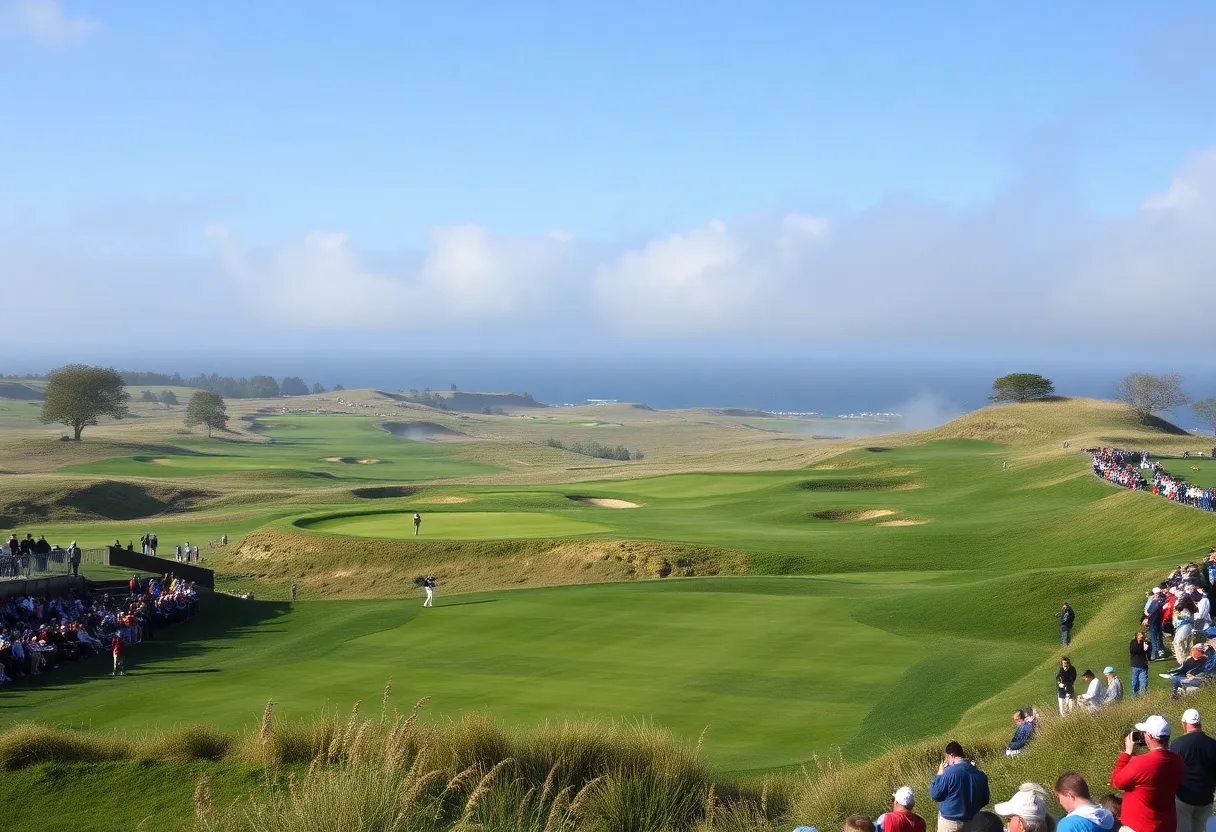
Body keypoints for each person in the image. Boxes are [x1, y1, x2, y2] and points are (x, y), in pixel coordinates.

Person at [1110, 714, 1184, 832]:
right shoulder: (1178, 760)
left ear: (1149, 735)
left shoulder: (1141, 762)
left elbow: (1116, 781)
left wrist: (1127, 752)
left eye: (1144, 732)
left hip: (1140, 826)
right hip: (1166, 824)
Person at [1171, 709, 1216, 832]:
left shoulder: (1177, 744)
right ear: (1200, 724)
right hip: (1206, 799)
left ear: (1184, 723)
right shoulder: (1213, 744)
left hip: (1183, 799)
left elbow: (1171, 771)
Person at [930, 741, 990, 832]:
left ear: (951, 755)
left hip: (949, 821)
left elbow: (935, 795)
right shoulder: (980, 775)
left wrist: (939, 774)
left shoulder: (949, 773)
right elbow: (985, 800)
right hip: (970, 821)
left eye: (946, 757)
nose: (946, 760)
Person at [1146, 590, 1167, 661]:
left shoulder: (1155, 602)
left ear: (1158, 596)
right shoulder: (1161, 603)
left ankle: (1155, 655)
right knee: (1159, 637)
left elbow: (1148, 611)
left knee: (1154, 639)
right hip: (1158, 622)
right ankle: (1160, 652)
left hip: (1153, 622)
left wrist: (1153, 601)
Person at [1131, 632, 1151, 697]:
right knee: (1135, 683)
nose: (1141, 636)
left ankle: (1143, 698)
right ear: (1136, 636)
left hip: (1143, 667)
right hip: (1135, 666)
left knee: (1144, 683)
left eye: (1142, 634)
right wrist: (1143, 648)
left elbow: (1148, 653)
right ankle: (1135, 698)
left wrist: (1147, 647)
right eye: (1140, 635)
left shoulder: (1145, 643)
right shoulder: (1133, 643)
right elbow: (1134, 651)